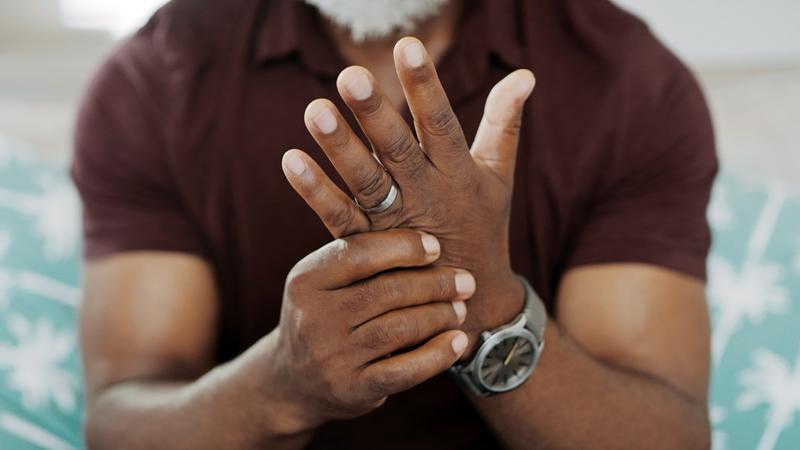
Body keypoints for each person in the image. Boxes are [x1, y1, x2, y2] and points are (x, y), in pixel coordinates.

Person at [72, 0, 718, 448]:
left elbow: (665, 436)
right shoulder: (153, 79)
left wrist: (488, 305)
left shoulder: (628, 80)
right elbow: (121, 421)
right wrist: (280, 385)